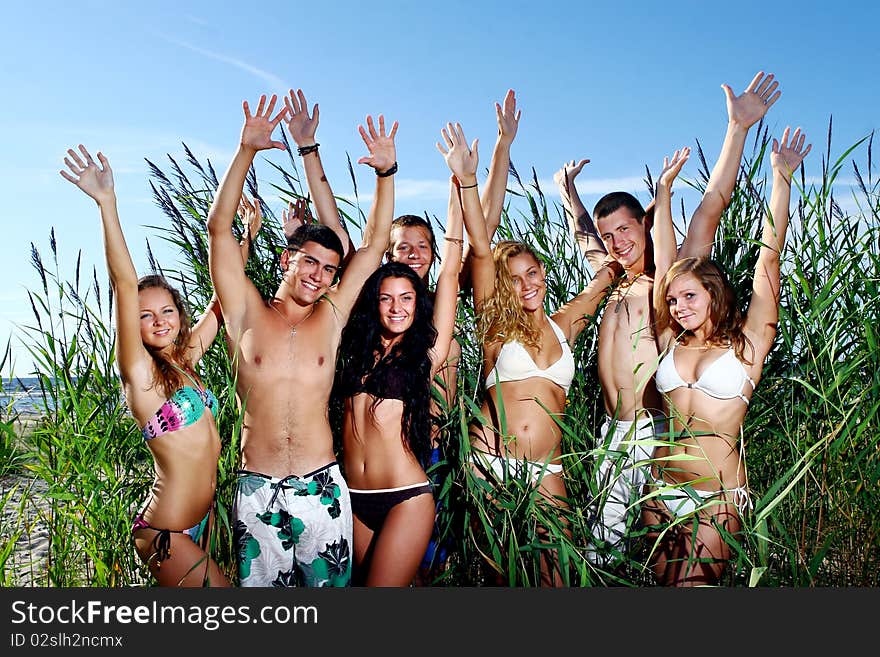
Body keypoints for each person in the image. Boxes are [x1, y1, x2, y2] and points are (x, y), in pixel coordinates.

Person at [555, 71, 782, 563]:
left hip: (656, 431)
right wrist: (567, 191)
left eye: (625, 230)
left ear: (647, 222)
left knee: (667, 558)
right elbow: (583, 235)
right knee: (602, 556)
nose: (616, 243)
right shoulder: (610, 277)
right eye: (608, 235)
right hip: (611, 434)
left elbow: (711, 208)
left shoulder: (667, 285)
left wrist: (736, 130)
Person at [206, 92, 398, 587]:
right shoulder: (245, 309)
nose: (318, 275)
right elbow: (219, 231)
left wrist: (385, 174)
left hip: (323, 489)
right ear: (284, 260)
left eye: (329, 269)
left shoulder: (330, 317)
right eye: (309, 261)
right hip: (256, 491)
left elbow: (375, 243)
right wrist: (245, 149)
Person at [60, 144, 248, 587]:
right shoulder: (139, 374)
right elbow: (125, 283)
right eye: (145, 315)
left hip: (196, 525)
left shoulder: (185, 363)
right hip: (164, 531)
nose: (158, 321)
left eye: (167, 311)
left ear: (179, 316)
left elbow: (222, 303)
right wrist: (108, 203)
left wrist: (245, 239)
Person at [443, 121, 621, 586]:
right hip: (493, 460)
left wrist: (576, 203)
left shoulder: (565, 325)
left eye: (533, 272)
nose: (527, 284)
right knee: (502, 577)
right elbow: (481, 246)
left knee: (556, 576)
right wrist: (484, 164)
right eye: (514, 279)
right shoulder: (496, 328)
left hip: (548, 468)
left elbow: (608, 274)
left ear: (543, 271)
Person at [645, 126, 811, 586]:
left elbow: (768, 263)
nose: (679, 307)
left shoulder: (747, 345)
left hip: (714, 497)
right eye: (674, 300)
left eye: (690, 297)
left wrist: (781, 181)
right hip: (660, 492)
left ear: (714, 293)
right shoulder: (671, 340)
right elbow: (663, 263)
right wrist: (663, 194)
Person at [335, 175, 464, 586]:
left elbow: (449, 272)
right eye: (386, 298)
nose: (396, 307)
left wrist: (457, 187)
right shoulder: (352, 350)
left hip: (406, 497)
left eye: (406, 298)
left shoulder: (425, 355)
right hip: (355, 498)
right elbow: (362, 249)